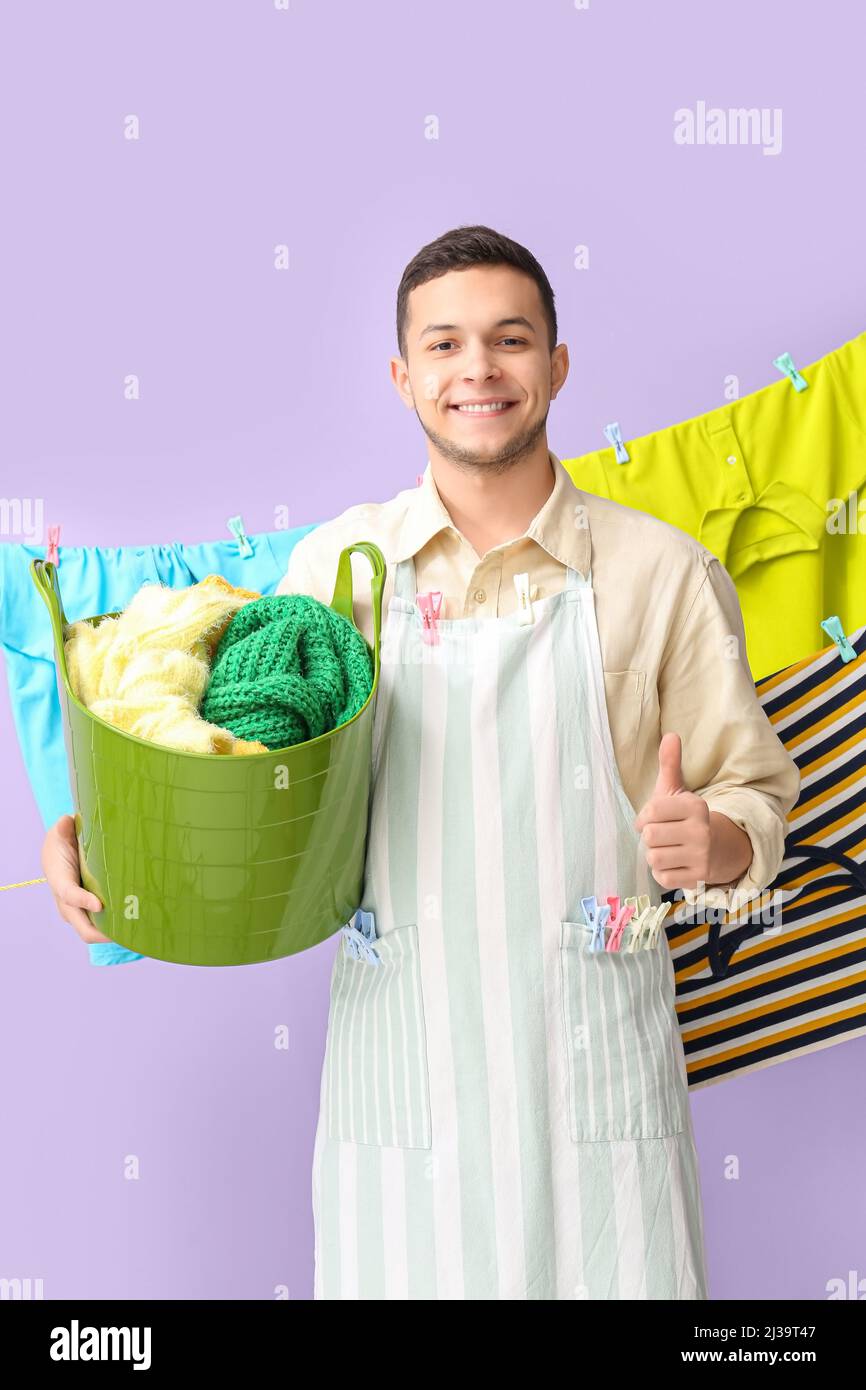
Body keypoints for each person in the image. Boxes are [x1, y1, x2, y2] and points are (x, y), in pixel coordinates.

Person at [42, 224, 801, 1300]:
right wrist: (98, 833)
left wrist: (716, 840)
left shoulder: (661, 574)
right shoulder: (335, 575)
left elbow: (754, 797)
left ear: (556, 363)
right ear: (402, 376)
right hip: (405, 1108)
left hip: (596, 1102)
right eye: (443, 346)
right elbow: (232, 780)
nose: (477, 369)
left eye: (509, 339)